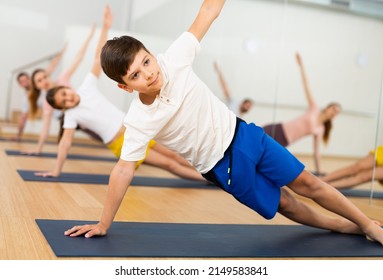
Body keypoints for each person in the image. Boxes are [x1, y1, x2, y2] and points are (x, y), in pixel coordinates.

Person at [64, 0, 383, 246]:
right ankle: (345, 225)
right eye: (135, 74)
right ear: (125, 86)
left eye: (146, 61)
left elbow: (208, 10)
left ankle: (368, 225)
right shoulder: (138, 119)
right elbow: (123, 170)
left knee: (308, 183)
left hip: (245, 136)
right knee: (285, 203)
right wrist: (104, 223)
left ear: (150, 53)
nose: (148, 73)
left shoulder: (174, 57)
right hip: (222, 168)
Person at [35, 6, 204, 183]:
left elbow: (97, 58)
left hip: (137, 129)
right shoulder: (71, 116)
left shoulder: (86, 87)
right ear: (63, 108)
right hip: (121, 143)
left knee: (176, 156)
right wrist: (56, 170)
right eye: (63, 102)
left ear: (67, 88)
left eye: (64, 94)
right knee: (170, 165)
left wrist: (106, 27)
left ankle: (212, 175)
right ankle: (209, 181)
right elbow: (65, 144)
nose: (68, 99)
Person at [23, 24, 96, 155]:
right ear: (37, 87)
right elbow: (45, 128)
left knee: (102, 136)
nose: (44, 81)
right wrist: (38, 149)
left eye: (44, 76)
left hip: (86, 111)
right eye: (39, 81)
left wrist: (89, 37)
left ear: (49, 75)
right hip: (75, 120)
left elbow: (78, 58)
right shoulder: (47, 102)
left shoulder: (62, 78)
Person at [263, 53, 341, 174]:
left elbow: (316, 152)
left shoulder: (320, 130)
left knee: (262, 155)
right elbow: (306, 85)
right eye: (334, 109)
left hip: (284, 140)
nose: (334, 113)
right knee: (252, 137)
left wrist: (319, 171)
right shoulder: (314, 108)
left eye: (337, 113)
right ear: (328, 107)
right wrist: (301, 65)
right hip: (278, 128)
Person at [14, 53, 65, 141]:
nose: (25, 82)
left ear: (31, 80)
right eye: (22, 81)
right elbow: (24, 116)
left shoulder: (42, 83)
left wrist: (62, 52)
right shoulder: (28, 98)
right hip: (61, 116)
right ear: (20, 85)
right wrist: (18, 135)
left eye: (26, 79)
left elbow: (52, 66)